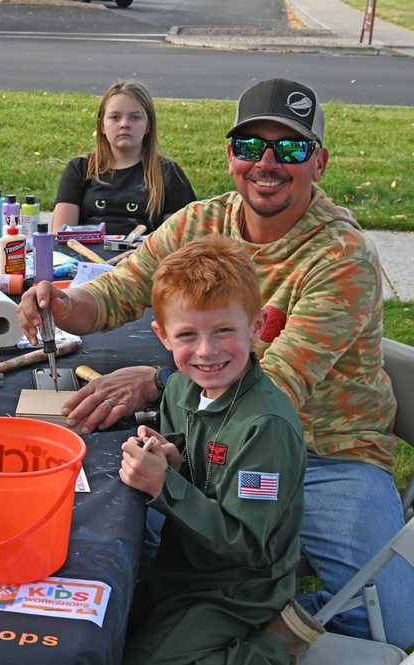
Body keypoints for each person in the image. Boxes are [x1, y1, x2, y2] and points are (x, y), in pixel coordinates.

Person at [17, 78, 414, 651]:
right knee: (111, 556)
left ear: (320, 163)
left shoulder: (342, 255)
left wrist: (157, 380)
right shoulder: (199, 224)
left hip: (333, 454)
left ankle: (280, 623)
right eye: (251, 148)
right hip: (218, 442)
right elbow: (120, 289)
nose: (268, 163)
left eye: (292, 149)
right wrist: (61, 300)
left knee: (397, 623)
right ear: (231, 156)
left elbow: (277, 380)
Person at [119, 235, 308, 664]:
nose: (207, 351)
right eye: (188, 334)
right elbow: (201, 475)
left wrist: (165, 485)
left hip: (238, 587)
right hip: (183, 562)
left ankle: (276, 646)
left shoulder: (266, 428)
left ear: (257, 327)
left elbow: (247, 545)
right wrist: (174, 461)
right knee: (106, 628)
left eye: (224, 330)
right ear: (163, 336)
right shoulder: (181, 389)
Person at [52, 80, 196, 236]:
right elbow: (60, 237)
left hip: (146, 259)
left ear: (148, 125)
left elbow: (178, 243)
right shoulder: (80, 168)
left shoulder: (169, 173)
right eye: (115, 117)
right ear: (102, 126)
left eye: (135, 118)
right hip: (83, 258)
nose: (124, 124)